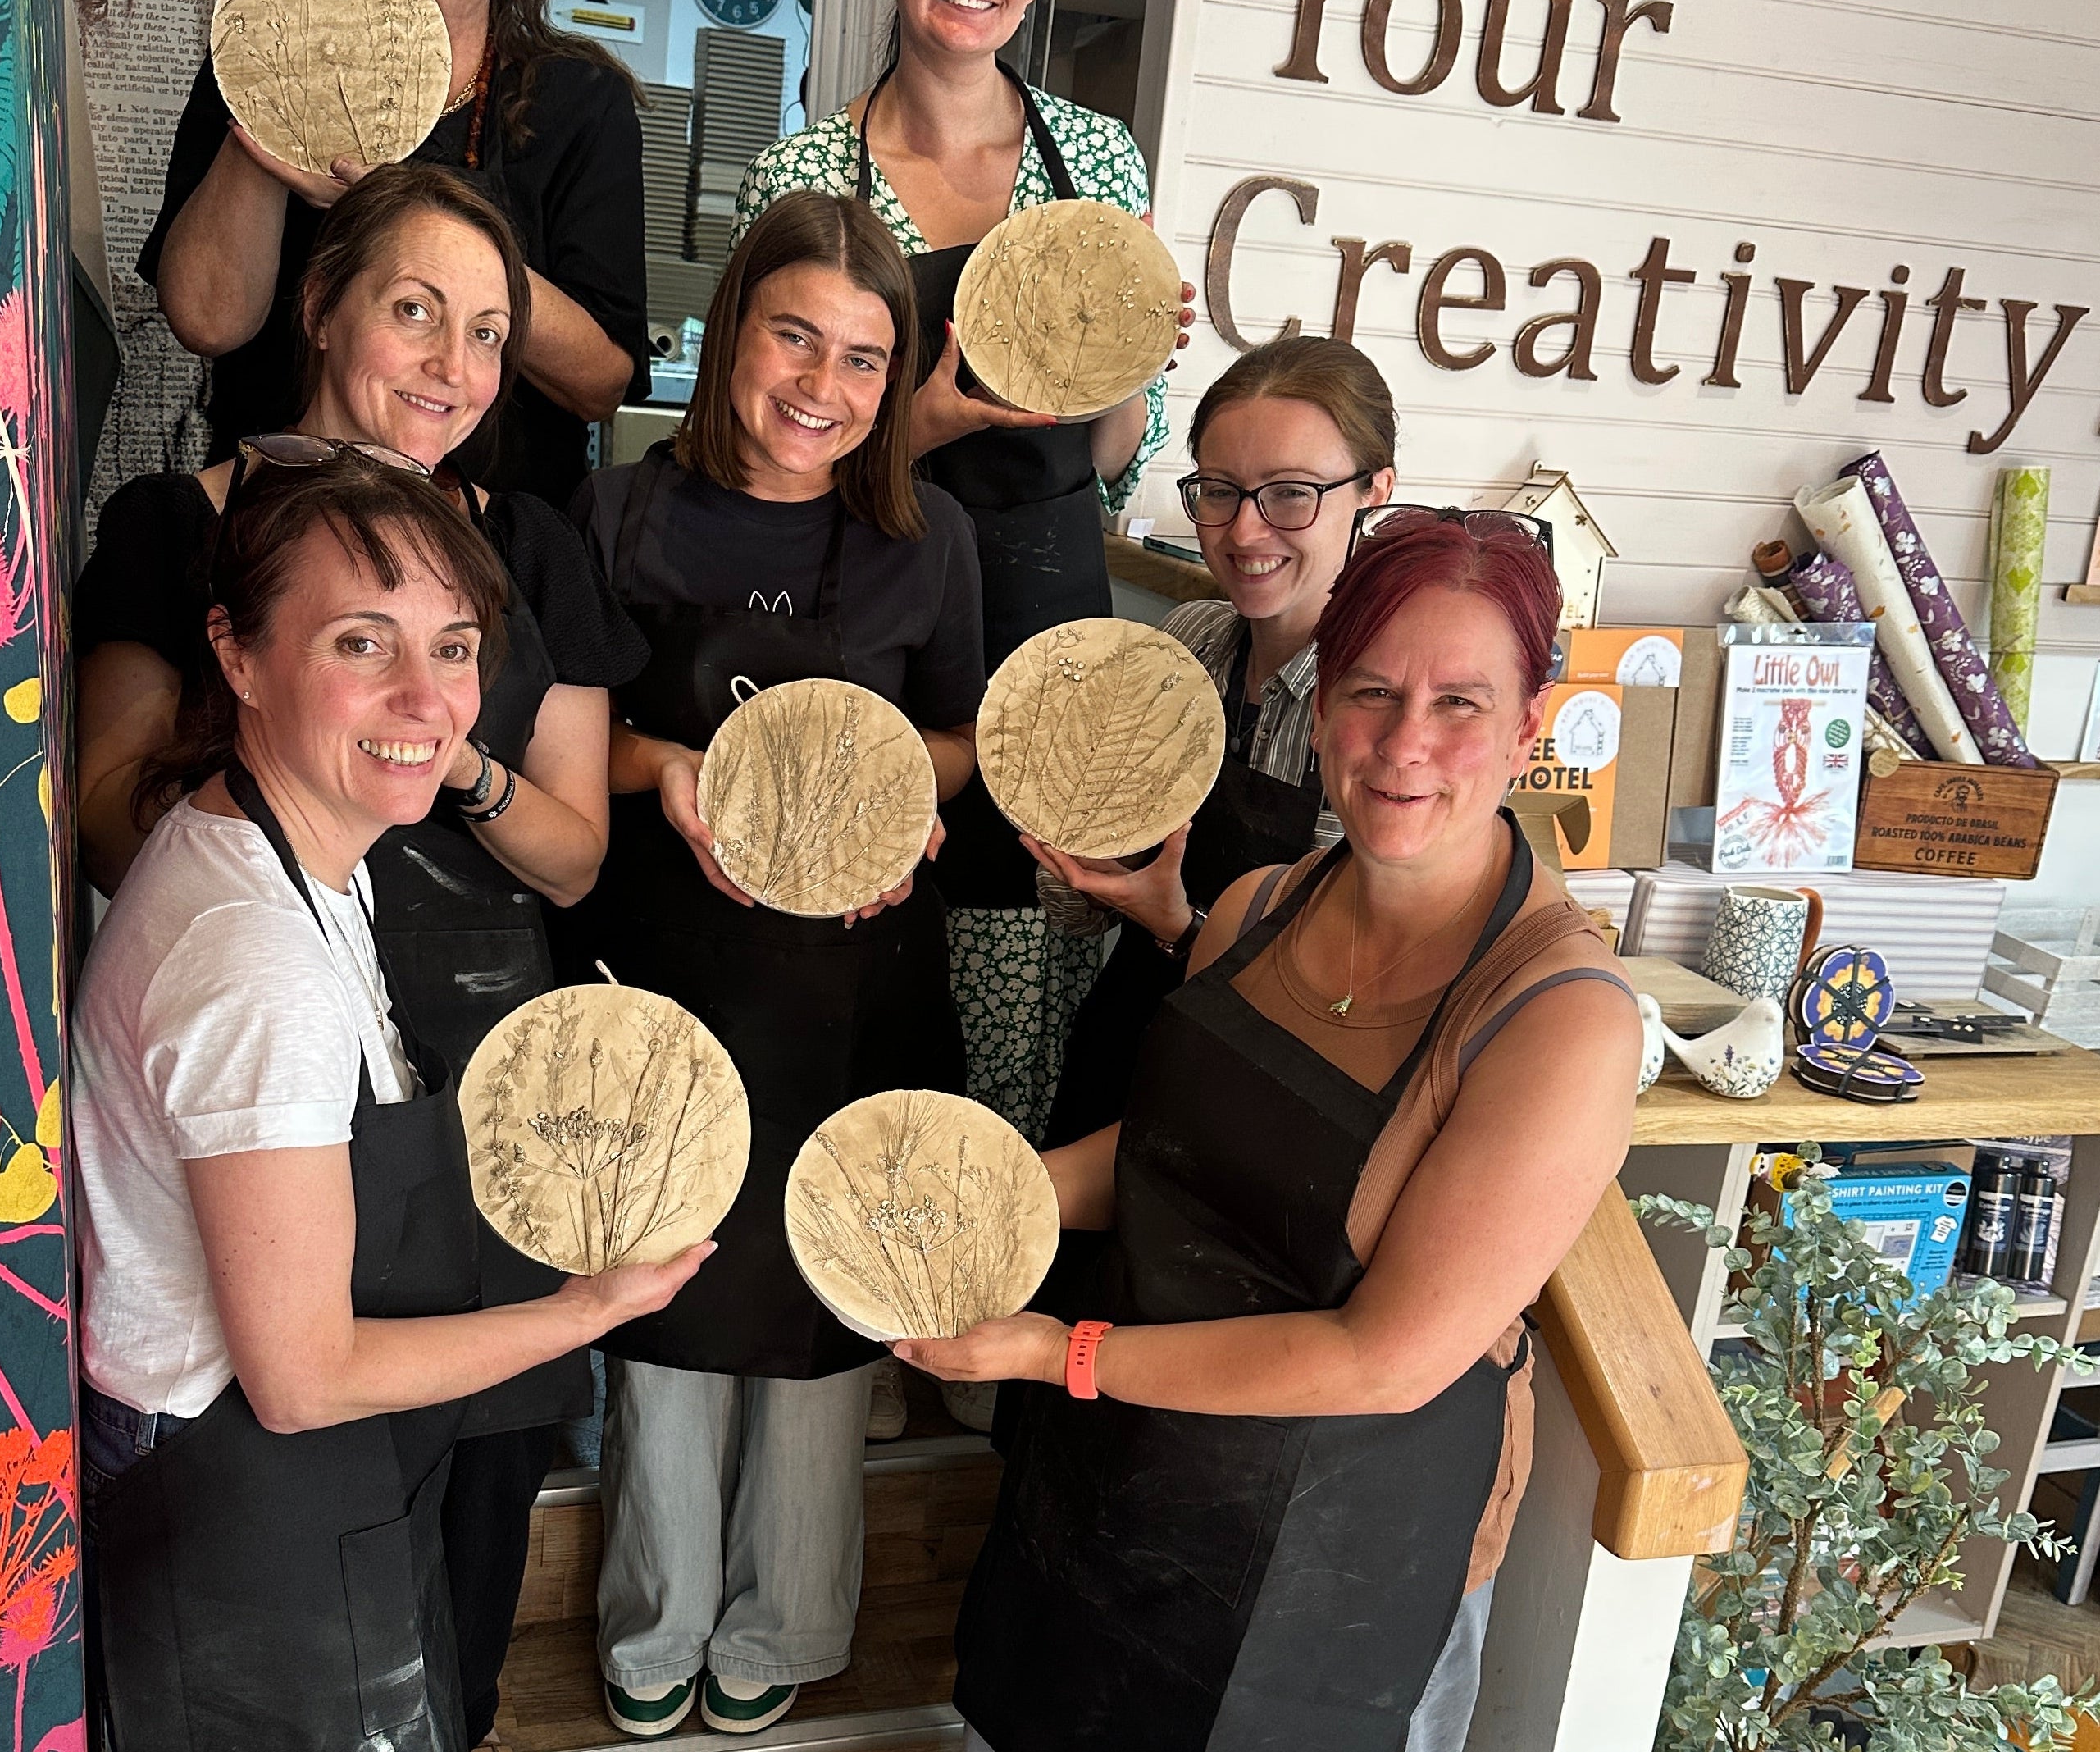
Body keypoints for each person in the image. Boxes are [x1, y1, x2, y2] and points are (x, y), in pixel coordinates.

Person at [901, 509, 1645, 1752]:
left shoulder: (1559, 1021)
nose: (1406, 742)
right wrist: (993, 1191)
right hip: (1125, 1469)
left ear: (1529, 725)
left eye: (1460, 702)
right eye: (1372, 690)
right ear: (1325, 701)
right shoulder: (1257, 906)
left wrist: (1053, 1355)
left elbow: (1386, 1358)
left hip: (1339, 1556)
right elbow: (1171, 1153)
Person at [75, 164, 647, 1746]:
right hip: (235, 1412)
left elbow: (574, 850)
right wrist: (591, 1304)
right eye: (414, 308)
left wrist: (428, 756)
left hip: (442, 1139)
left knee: (441, 1572)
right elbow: (305, 1368)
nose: (451, 362)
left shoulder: (323, 848)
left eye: (453, 647)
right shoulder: (248, 929)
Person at [569, 192, 985, 1739]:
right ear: (733, 325)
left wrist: (897, 801)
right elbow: (564, 741)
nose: (821, 382)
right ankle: (657, 1607)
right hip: (667, 964)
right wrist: (666, 763)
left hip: (855, 976)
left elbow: (960, 737)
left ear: (896, 380)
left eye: (864, 358)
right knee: (667, 1280)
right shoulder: (617, 512)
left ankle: (789, 1615)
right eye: (793, 333)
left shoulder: (926, 539)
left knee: (826, 1283)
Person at [736, 0, 1190, 1166]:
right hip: (869, 609)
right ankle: (854, 1292)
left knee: (1031, 983)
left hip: (1051, 605)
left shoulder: (1094, 161)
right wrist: (916, 425)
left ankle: (982, 1326)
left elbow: (1109, 457)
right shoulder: (802, 172)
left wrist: (1130, 357)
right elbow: (766, 459)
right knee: (865, 953)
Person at [143, 0, 648, 505]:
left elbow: (601, 383)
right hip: (280, 524)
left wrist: (409, 197)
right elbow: (207, 320)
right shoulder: (266, 37)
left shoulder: (582, 101)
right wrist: (277, 63)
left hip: (490, 552)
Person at [1035, 335, 1398, 1146]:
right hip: (1124, 1052)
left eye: (1291, 494)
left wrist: (1179, 928)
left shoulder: (1380, 716)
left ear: (1374, 488)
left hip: (1261, 1110)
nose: (1243, 532)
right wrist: (1074, 849)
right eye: (1220, 491)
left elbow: (1342, 1006)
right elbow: (1081, 917)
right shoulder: (1189, 640)